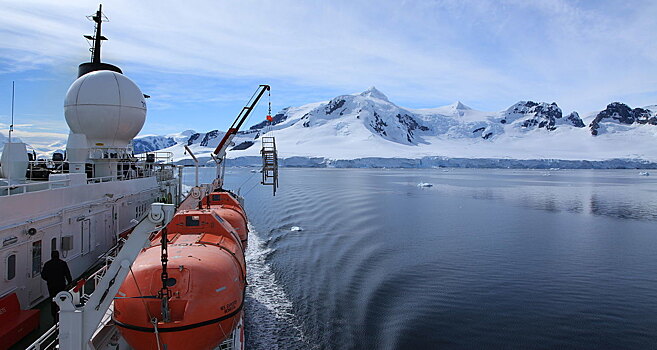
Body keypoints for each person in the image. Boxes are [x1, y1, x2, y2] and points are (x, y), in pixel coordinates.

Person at [41, 250, 72, 322]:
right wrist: (70, 282)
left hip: (51, 285)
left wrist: (49, 280)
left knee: (53, 300)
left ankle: (54, 317)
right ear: (58, 255)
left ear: (51, 256)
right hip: (61, 285)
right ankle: (62, 315)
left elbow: (43, 275)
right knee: (62, 299)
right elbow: (67, 274)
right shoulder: (63, 263)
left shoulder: (47, 264)